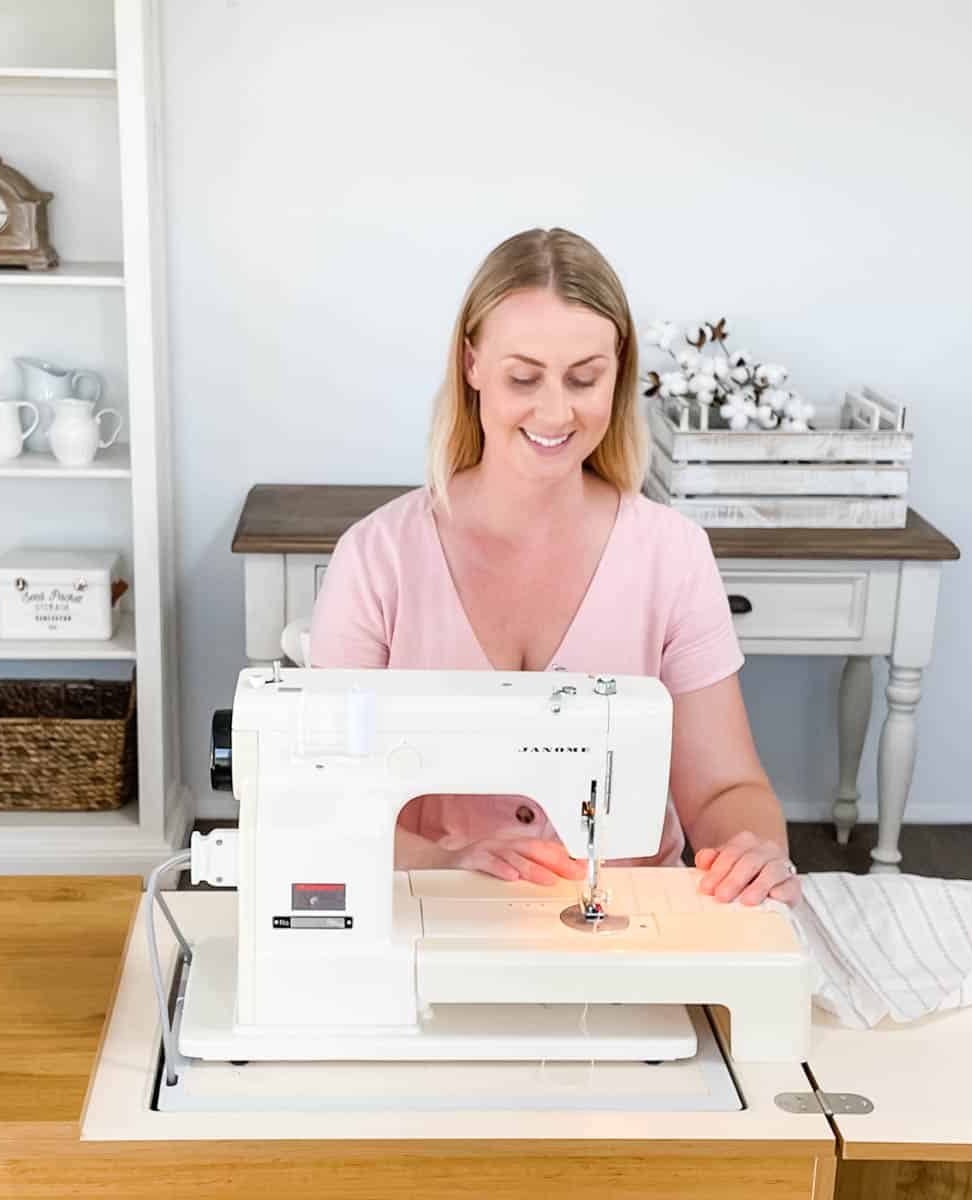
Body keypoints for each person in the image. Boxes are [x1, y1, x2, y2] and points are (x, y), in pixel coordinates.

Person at [310, 227, 799, 906]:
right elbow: (326, 797)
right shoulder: (377, 559)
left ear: (618, 371)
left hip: (628, 922)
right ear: (471, 364)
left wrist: (753, 853)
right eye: (523, 376)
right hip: (432, 914)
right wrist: (448, 861)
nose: (555, 410)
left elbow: (725, 790)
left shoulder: (672, 556)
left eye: (584, 378)